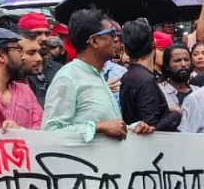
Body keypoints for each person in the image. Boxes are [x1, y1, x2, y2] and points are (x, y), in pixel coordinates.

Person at [43, 8, 146, 141]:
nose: (116, 40)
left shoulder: (97, 74)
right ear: (94, 41)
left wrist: (134, 128)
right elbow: (51, 132)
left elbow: (108, 128)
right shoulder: (68, 78)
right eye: (112, 33)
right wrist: (97, 127)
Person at [117, 19, 179, 131]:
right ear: (154, 44)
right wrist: (175, 115)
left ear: (125, 48)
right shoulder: (145, 80)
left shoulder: (129, 75)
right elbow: (151, 127)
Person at [159, 45, 194, 110]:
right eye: (177, 60)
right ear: (167, 66)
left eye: (186, 60)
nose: (183, 64)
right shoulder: (159, 91)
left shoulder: (198, 91)